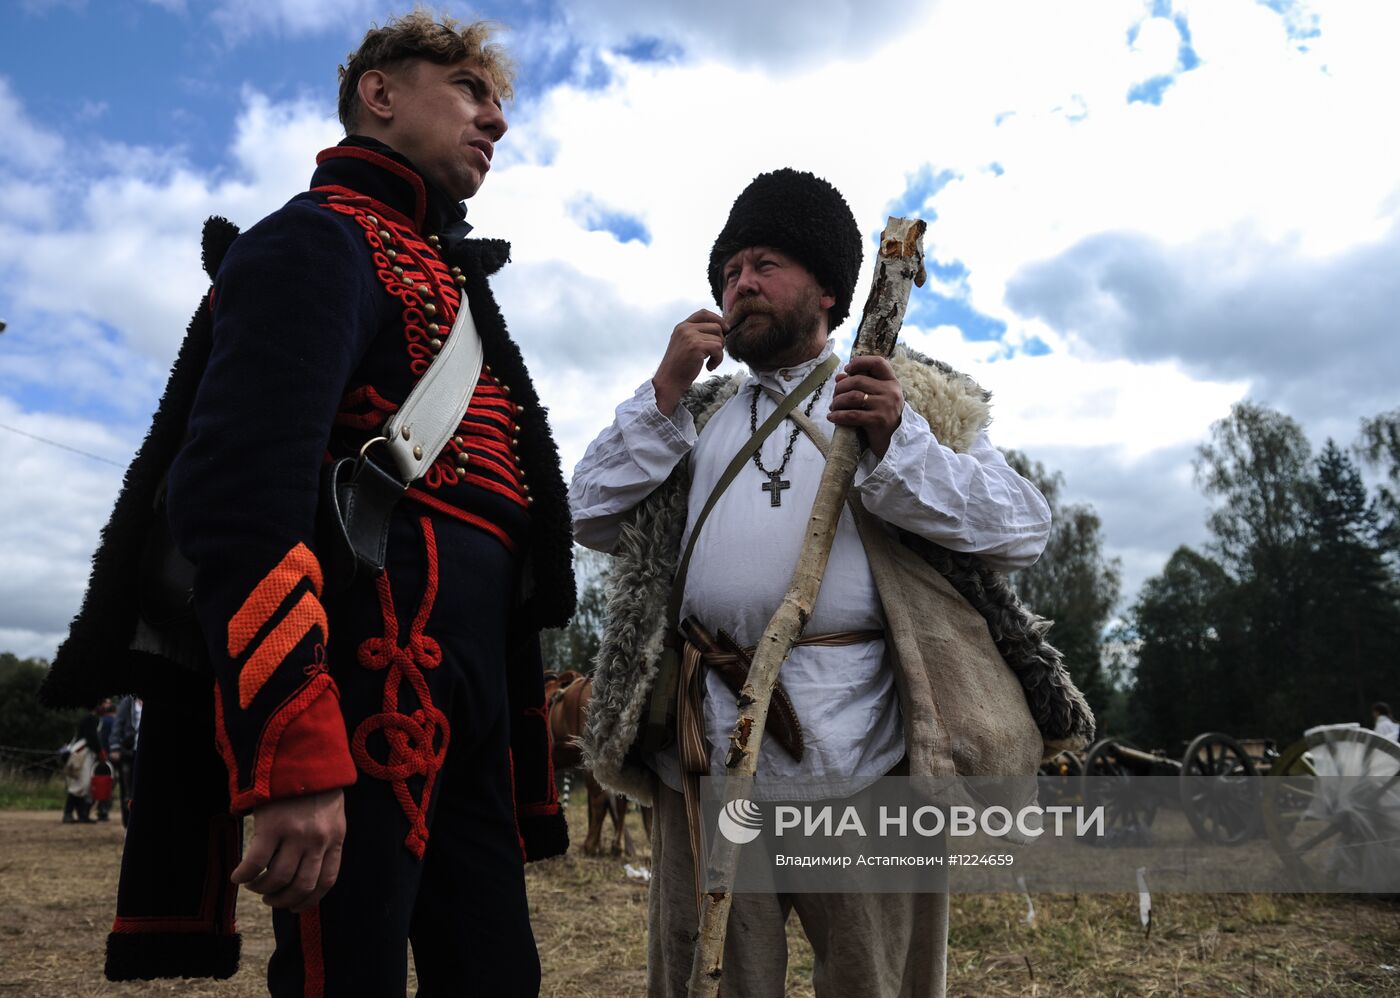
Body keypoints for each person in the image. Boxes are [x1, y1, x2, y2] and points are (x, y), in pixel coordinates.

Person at [41, 12, 575, 994]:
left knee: (497, 973)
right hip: (363, 683)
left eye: (497, 101)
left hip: (473, 694)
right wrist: (295, 742)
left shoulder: (452, 285)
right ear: (380, 93)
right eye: (467, 88)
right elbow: (239, 500)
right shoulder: (318, 240)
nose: (495, 120)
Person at [571, 169, 1093, 997]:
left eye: (764, 263)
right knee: (712, 982)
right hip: (708, 757)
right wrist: (663, 391)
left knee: (874, 980)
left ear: (826, 291)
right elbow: (590, 513)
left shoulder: (905, 398)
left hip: (864, 761)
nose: (740, 282)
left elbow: (1021, 529)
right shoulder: (693, 416)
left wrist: (898, 444)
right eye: (729, 270)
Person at [61, 703, 105, 824]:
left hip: (87, 754)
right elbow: (92, 737)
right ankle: (68, 813)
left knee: (84, 785)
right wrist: (100, 751)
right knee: (81, 784)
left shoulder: (92, 718)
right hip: (83, 754)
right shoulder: (90, 719)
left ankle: (82, 814)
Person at [107, 694, 142, 828]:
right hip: (129, 752)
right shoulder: (128, 702)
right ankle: (128, 825)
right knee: (127, 791)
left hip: (146, 753)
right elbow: (118, 724)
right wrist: (115, 747)